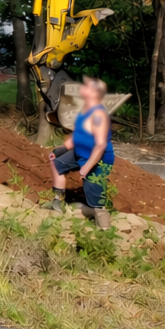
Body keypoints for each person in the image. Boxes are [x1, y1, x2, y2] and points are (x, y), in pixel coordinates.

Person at [43, 76, 115, 229]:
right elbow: (78, 134)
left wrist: (87, 166)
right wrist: (61, 149)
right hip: (79, 152)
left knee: (96, 200)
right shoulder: (85, 110)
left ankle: (104, 230)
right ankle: (58, 202)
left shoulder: (99, 115)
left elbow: (100, 145)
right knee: (57, 165)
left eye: (87, 87)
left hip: (97, 160)